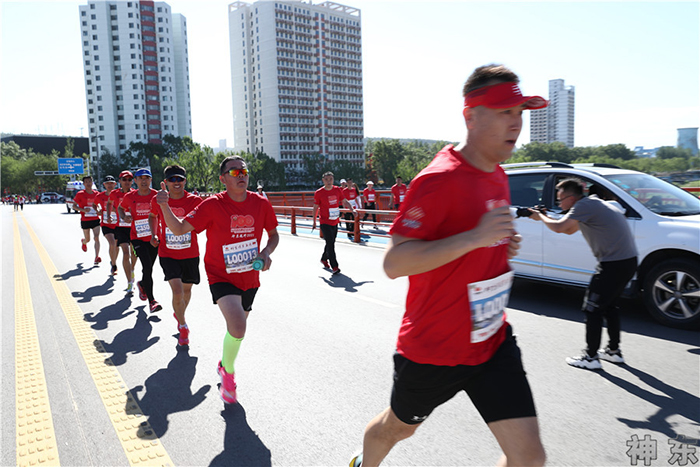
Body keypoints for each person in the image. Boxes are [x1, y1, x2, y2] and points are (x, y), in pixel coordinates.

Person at [351, 64, 547, 467]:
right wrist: (474, 237)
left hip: (491, 340)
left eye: (520, 113)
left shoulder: (499, 175)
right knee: (397, 429)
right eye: (505, 112)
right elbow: (394, 262)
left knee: (528, 457)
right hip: (433, 350)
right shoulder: (437, 180)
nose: (516, 123)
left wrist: (499, 247)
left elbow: (475, 248)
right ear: (471, 116)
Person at [155, 155, 279, 404]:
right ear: (223, 179)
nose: (241, 175)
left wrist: (266, 253)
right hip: (220, 274)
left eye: (243, 171)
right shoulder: (212, 205)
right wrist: (164, 206)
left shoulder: (260, 203)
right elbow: (179, 229)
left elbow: (273, 234)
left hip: (249, 276)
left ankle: (224, 363)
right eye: (234, 172)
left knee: (238, 329)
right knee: (238, 325)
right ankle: (229, 375)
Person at [525, 178, 638, 370]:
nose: (559, 204)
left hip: (612, 265)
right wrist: (548, 217)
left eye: (560, 200)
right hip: (627, 262)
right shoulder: (592, 204)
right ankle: (613, 351)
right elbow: (568, 230)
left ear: (571, 197)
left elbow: (560, 228)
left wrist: (540, 217)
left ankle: (590, 357)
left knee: (592, 309)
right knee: (609, 306)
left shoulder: (584, 205)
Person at [149, 165, 203, 347]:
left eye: (179, 179)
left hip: (190, 253)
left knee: (187, 291)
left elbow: (203, 223)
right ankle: (183, 325)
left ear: (185, 181)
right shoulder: (158, 199)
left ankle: (179, 313)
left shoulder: (195, 201)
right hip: (167, 253)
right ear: (165, 183)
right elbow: (152, 216)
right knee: (177, 291)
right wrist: (154, 234)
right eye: (172, 180)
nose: (176, 183)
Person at [119, 168, 162, 312]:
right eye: (140, 178)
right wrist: (124, 216)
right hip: (137, 238)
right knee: (147, 267)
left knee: (149, 267)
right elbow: (120, 208)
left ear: (151, 180)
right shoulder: (130, 197)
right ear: (135, 181)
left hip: (154, 238)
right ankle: (152, 301)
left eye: (147, 178)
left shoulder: (157, 195)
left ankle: (143, 284)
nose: (144, 181)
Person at [312, 171, 355, 275]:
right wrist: (314, 221)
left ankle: (323, 258)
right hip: (324, 221)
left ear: (333, 180)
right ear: (323, 181)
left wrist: (352, 209)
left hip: (335, 220)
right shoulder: (319, 193)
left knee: (331, 242)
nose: (329, 181)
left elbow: (344, 201)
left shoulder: (337, 190)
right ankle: (334, 266)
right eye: (326, 179)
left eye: (330, 179)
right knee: (330, 243)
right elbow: (315, 207)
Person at [112, 170, 138, 293]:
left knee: (134, 254)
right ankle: (129, 282)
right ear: (120, 181)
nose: (127, 182)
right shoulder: (114, 193)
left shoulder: (136, 193)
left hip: (134, 227)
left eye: (129, 179)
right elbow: (111, 205)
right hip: (121, 228)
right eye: (124, 179)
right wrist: (114, 215)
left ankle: (131, 269)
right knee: (126, 253)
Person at [93, 175, 120, 275]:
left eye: (111, 183)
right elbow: (94, 204)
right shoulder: (100, 196)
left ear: (115, 184)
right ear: (104, 185)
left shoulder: (118, 194)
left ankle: (113, 261)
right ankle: (114, 265)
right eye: (107, 184)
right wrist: (98, 210)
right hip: (106, 224)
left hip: (117, 224)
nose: (109, 185)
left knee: (116, 246)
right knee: (112, 243)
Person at [72, 175, 102, 266]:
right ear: (84, 184)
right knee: (88, 239)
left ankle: (97, 257)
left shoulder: (97, 194)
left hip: (95, 219)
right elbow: (74, 206)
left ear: (92, 183)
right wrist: (83, 210)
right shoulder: (80, 194)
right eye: (86, 182)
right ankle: (84, 242)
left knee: (96, 237)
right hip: (85, 219)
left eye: (90, 181)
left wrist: (99, 211)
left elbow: (101, 205)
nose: (88, 183)